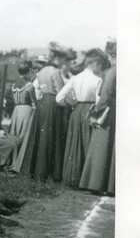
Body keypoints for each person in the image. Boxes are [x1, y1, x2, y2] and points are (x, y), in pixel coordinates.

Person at [57, 49, 109, 188]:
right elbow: (99, 101)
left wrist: (72, 103)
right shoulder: (97, 79)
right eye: (100, 65)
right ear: (95, 63)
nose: (100, 68)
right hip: (91, 110)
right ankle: (86, 180)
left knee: (75, 143)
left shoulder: (75, 78)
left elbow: (59, 98)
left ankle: (71, 178)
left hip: (77, 111)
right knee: (89, 142)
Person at [20, 47, 67, 182]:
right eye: (61, 59)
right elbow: (60, 90)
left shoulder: (40, 72)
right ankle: (51, 172)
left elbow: (38, 91)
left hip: (42, 103)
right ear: (56, 59)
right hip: (52, 103)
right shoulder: (55, 71)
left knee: (41, 136)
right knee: (52, 135)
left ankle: (36, 170)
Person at [79, 42, 116, 195]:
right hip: (114, 112)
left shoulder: (112, 72)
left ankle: (96, 184)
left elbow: (105, 96)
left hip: (107, 114)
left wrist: (95, 111)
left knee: (100, 147)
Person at [9, 60, 37, 165]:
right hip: (26, 110)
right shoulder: (29, 85)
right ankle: (19, 163)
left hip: (16, 111)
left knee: (14, 135)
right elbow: (34, 102)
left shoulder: (14, 84)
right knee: (23, 135)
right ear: (29, 70)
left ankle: (12, 160)